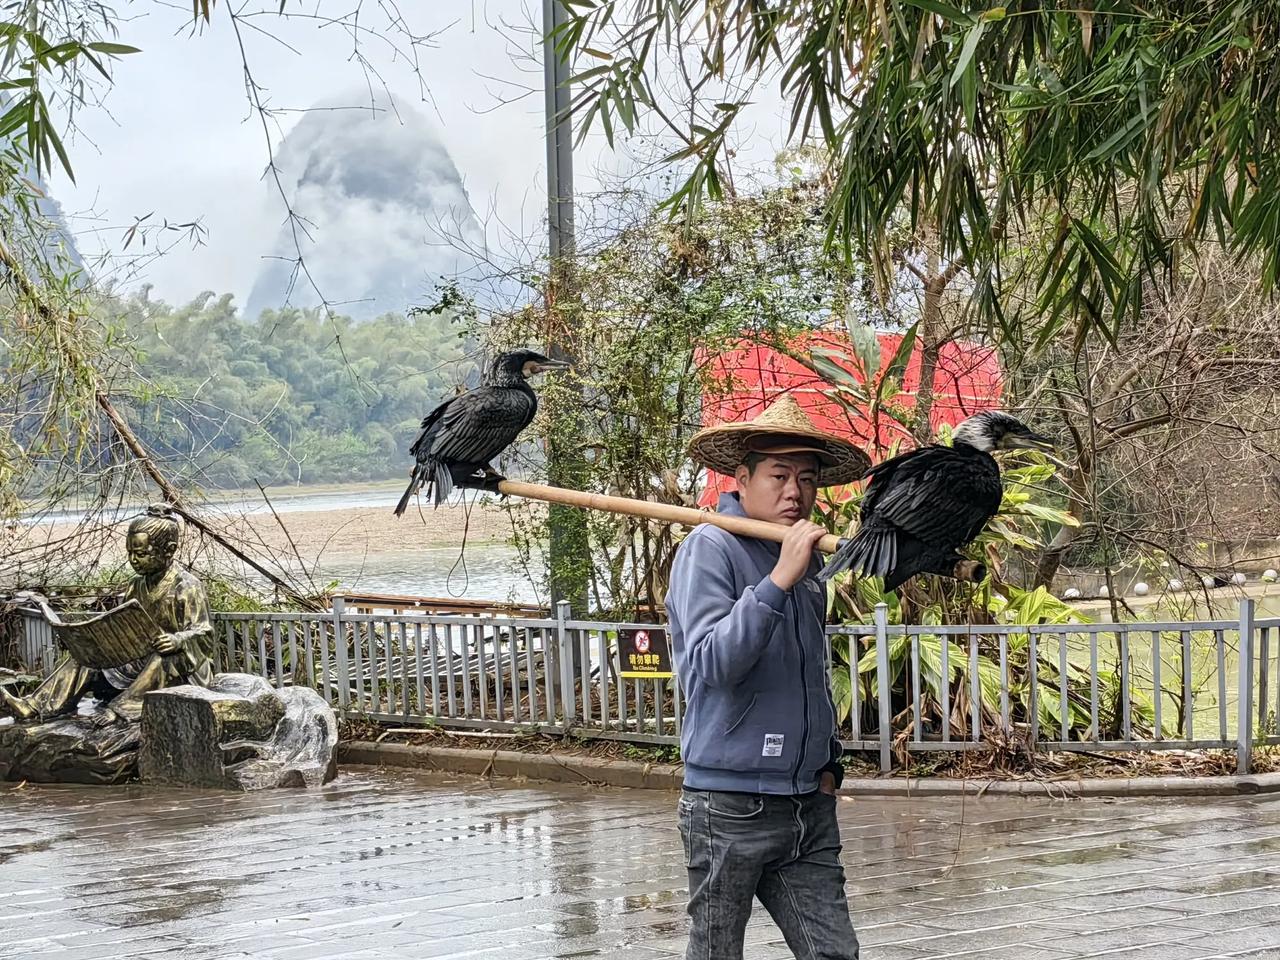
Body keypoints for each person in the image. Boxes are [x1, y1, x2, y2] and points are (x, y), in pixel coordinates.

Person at [666, 395, 869, 960]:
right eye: (778, 475)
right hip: (728, 804)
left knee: (834, 953)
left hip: (806, 802)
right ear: (741, 479)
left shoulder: (807, 562)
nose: (794, 492)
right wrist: (777, 581)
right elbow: (711, 666)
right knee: (716, 951)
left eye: (806, 478)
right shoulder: (711, 548)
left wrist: (827, 763)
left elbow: (808, 672)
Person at [1, 507, 215, 725]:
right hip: (136, 661)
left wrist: (177, 639)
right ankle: (36, 706)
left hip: (177, 668)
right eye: (130, 553)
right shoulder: (136, 585)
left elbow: (204, 631)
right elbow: (124, 622)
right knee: (85, 658)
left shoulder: (187, 586)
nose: (133, 560)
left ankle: (121, 709)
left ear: (169, 550)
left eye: (141, 554)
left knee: (164, 658)